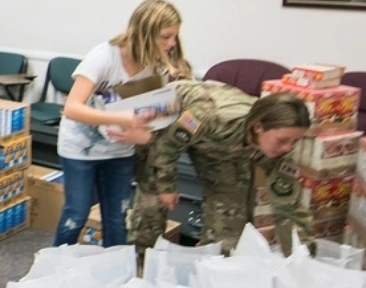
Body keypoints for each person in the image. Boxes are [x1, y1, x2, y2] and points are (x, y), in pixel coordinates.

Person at [53, 0, 191, 248]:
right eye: (166, 36)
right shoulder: (104, 57)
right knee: (77, 214)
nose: (171, 44)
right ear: (144, 34)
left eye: (174, 37)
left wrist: (148, 131)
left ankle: (116, 277)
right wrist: (120, 118)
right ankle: (53, 272)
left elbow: (155, 113)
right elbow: (71, 108)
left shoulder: (159, 64)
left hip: (121, 150)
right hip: (81, 148)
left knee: (116, 217)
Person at [125, 82, 313, 254]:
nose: (288, 147)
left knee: (230, 214)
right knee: (153, 201)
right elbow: (167, 146)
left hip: (220, 146)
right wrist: (167, 186)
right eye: (282, 140)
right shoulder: (206, 115)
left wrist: (301, 256)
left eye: (295, 141)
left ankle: (214, 267)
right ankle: (140, 264)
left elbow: (288, 204)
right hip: (169, 123)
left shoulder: (276, 147)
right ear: (258, 127)